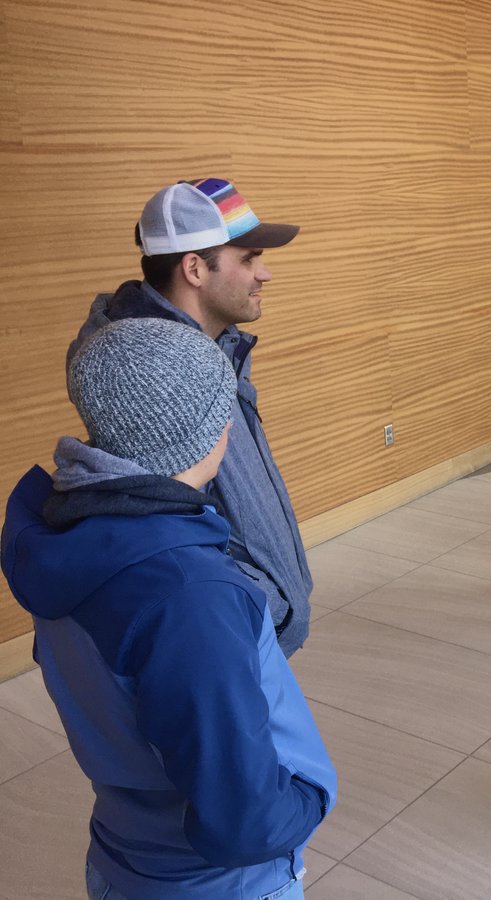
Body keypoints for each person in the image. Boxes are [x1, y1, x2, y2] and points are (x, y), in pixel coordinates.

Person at [2, 317, 337, 899]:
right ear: (209, 433)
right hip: (222, 886)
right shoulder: (188, 595)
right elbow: (244, 822)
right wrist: (308, 797)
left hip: (123, 860)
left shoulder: (68, 537)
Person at [67, 178, 313, 657]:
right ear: (195, 268)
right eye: (248, 258)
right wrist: (258, 608)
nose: (265, 274)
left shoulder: (213, 346)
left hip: (249, 630)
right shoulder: (153, 378)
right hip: (226, 641)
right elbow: (161, 538)